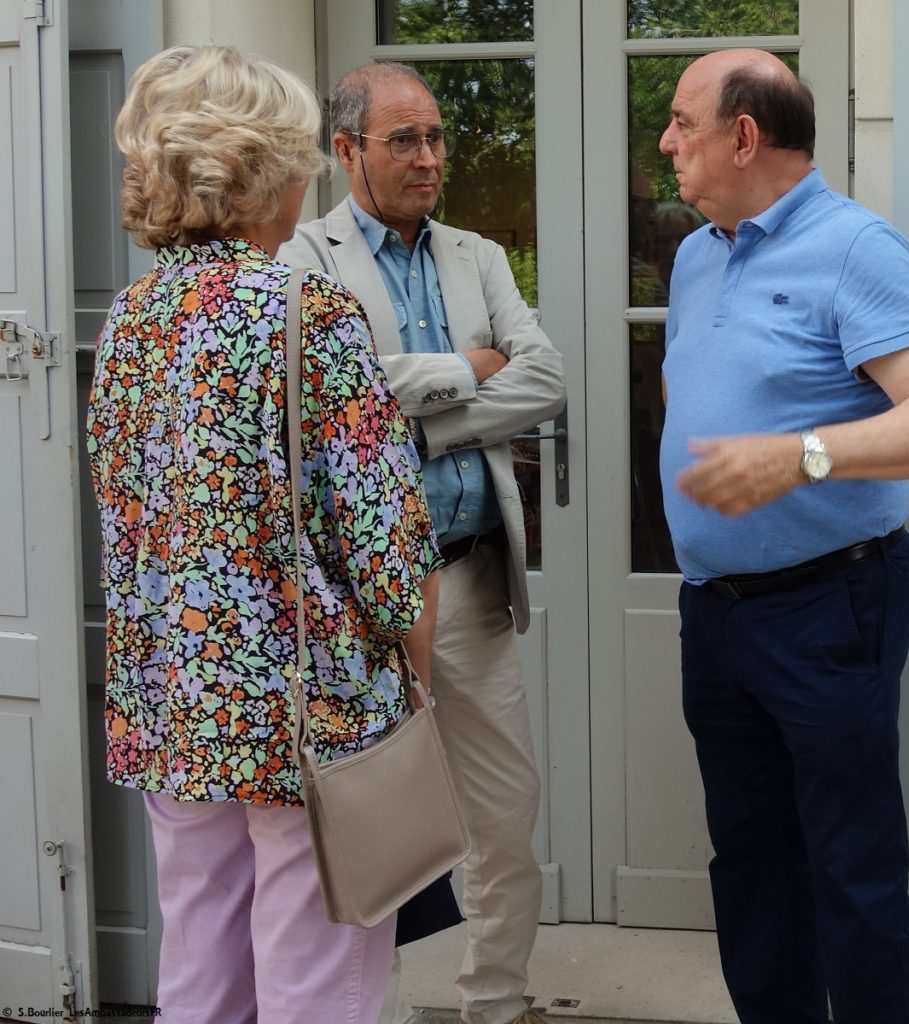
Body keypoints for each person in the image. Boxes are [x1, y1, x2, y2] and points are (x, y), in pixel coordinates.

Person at [86, 45, 442, 1023]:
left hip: (175, 700)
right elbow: (388, 543)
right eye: (294, 157)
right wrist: (421, 671)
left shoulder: (130, 318)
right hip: (306, 710)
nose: (304, 179)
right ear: (261, 170)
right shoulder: (305, 309)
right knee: (317, 983)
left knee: (197, 972)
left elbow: (124, 505)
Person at [657, 49, 909, 1024]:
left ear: (743, 135)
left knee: (849, 865)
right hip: (713, 614)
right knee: (751, 864)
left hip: (826, 606)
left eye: (682, 121)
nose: (667, 142)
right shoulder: (695, 251)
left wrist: (797, 457)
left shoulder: (856, 248)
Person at [279, 61, 565, 1024]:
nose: (430, 157)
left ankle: (495, 1004)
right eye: (406, 139)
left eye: (437, 137)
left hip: (473, 589)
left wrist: (424, 409)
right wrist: (466, 373)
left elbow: (548, 378)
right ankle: (379, 1009)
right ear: (347, 150)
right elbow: (328, 395)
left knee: (504, 823)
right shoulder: (301, 260)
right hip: (366, 606)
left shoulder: (479, 256)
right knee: (378, 828)